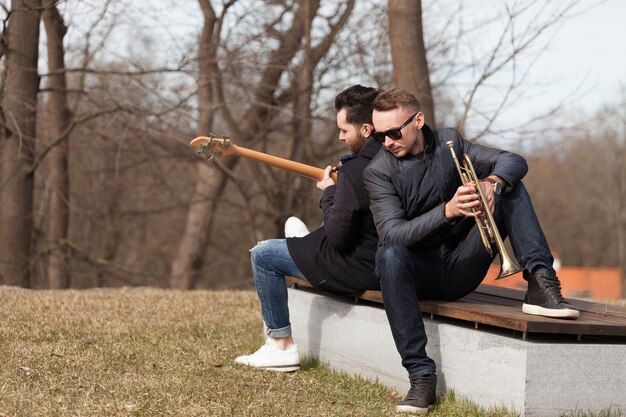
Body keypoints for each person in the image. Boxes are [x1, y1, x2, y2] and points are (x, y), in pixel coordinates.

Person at [362, 88, 579, 414]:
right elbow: (392, 235)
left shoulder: (450, 143)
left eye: (394, 132)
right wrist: (447, 211)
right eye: (380, 136)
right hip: (418, 275)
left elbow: (513, 160)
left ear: (418, 120)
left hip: (462, 265)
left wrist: (491, 182)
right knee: (389, 255)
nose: (387, 142)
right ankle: (421, 377)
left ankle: (541, 282)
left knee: (510, 185)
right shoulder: (378, 171)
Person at [234, 85, 382, 372]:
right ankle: (305, 244)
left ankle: (281, 347)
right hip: (377, 255)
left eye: (344, 130)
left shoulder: (356, 170)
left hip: (357, 266)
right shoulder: (391, 157)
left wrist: (329, 192)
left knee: (263, 255)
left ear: (365, 129)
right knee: (316, 226)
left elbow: (339, 239)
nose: (340, 137)